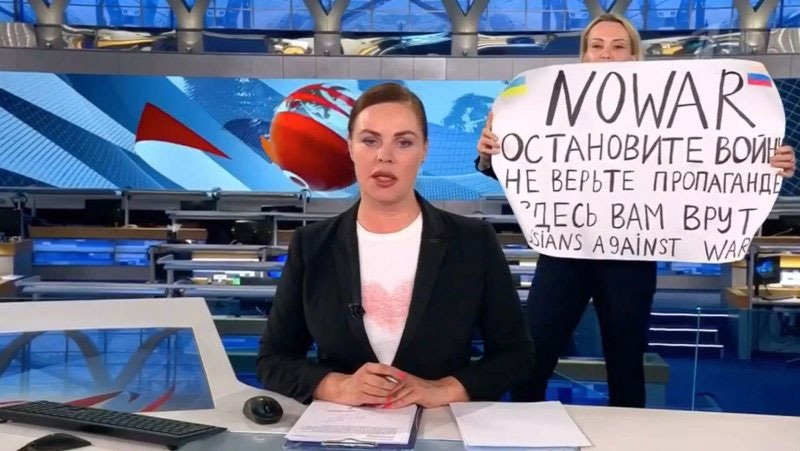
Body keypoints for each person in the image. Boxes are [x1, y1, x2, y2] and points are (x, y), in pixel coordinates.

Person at [475, 13, 797, 408]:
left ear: (633, 56)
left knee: (626, 364)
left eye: (617, 47)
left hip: (630, 257)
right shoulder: (543, 108)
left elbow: (711, 155)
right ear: (584, 55)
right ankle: (524, 431)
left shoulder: (669, 109)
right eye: (597, 47)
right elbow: (525, 171)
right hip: (563, 253)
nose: (606, 55)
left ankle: (627, 437)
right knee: (534, 355)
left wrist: (765, 163)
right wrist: (491, 155)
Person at [258, 82, 535, 408]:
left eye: (403, 142)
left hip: (441, 425)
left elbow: (515, 355)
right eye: (369, 141)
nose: (384, 156)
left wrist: (445, 389)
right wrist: (337, 386)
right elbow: (273, 359)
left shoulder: (473, 242)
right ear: (350, 147)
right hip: (340, 429)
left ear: (424, 150)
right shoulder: (312, 245)